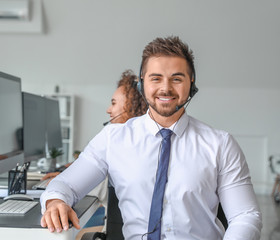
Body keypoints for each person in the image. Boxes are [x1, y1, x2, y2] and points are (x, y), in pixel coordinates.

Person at [40, 36, 262, 239]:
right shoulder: (112, 139)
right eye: (156, 78)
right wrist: (55, 202)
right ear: (142, 82)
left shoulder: (220, 144)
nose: (165, 88)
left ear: (191, 83)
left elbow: (246, 215)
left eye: (177, 79)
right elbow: (64, 185)